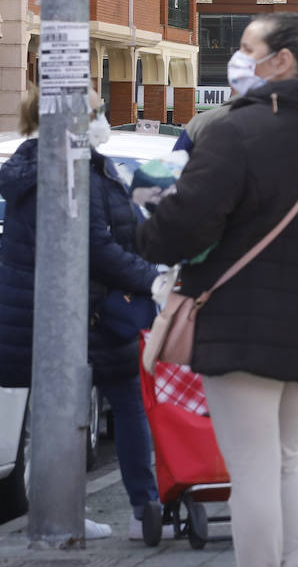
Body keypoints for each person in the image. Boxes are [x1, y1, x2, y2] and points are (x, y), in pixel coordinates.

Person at [137, 13, 298, 567]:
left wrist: (143, 223)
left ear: (281, 61)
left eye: (247, 47)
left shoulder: (234, 133)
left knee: (251, 470)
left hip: (239, 327)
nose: (236, 57)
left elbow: (182, 227)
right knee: (286, 461)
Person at [0, 87, 167, 541]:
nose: (102, 118)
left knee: (67, 412)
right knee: (110, 408)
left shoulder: (56, 165)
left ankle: (80, 512)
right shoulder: (69, 169)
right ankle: (123, 511)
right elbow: (95, 246)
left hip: (72, 310)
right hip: (81, 312)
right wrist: (151, 278)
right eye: (96, 111)